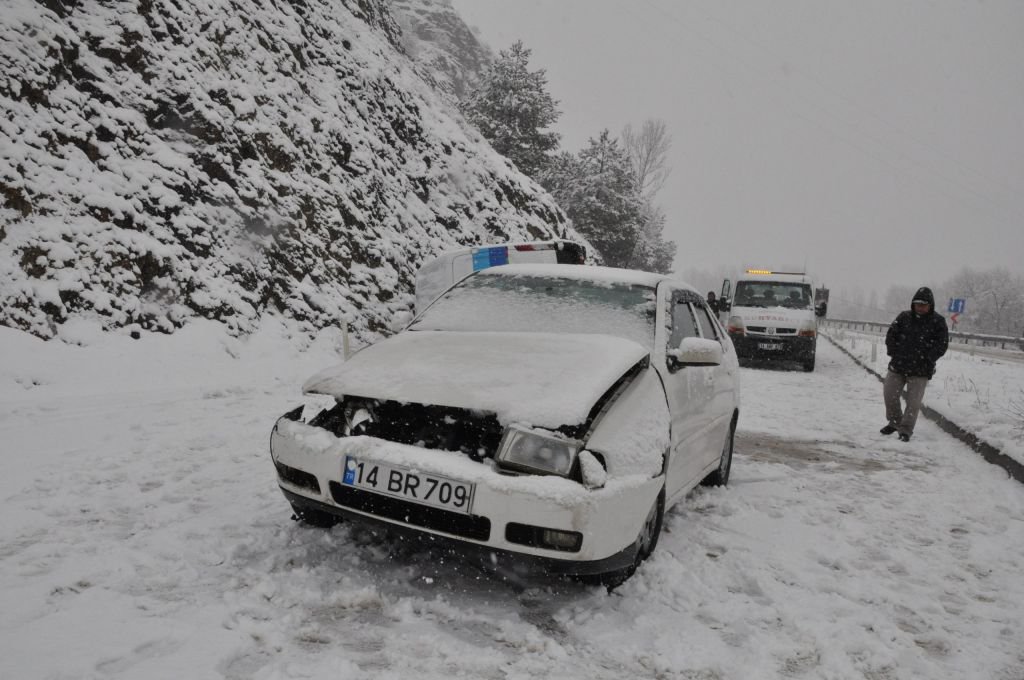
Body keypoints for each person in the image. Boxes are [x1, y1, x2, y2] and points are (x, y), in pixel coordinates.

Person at [880, 287, 949, 441]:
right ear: (913, 304)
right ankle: (894, 422)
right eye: (917, 304)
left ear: (930, 305)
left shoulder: (938, 321)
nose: (920, 307)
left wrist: (927, 359)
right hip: (898, 366)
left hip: (921, 370)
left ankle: (905, 430)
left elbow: (942, 344)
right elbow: (891, 335)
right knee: (889, 395)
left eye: (924, 304)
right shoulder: (904, 317)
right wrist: (894, 353)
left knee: (913, 403)